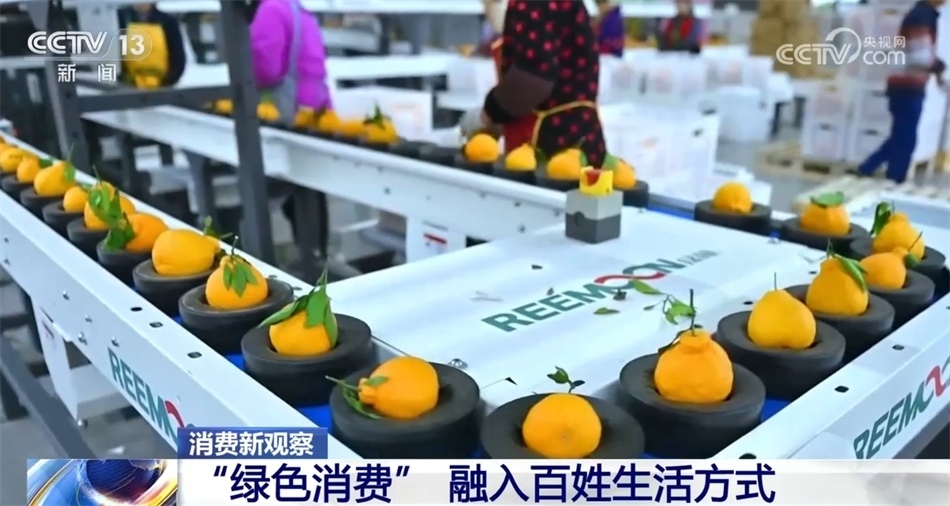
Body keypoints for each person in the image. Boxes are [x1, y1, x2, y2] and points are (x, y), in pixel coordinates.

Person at [461, 0, 608, 168]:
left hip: (552, 149)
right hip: (581, 141)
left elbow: (533, 78)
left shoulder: (533, 3)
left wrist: (488, 115)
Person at [250, 0, 333, 242]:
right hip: (314, 110)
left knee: (283, 189)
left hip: (287, 113)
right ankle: (317, 252)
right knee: (311, 193)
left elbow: (266, 70)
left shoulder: (270, 9)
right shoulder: (298, 8)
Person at [855, 0, 946, 183]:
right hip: (906, 85)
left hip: (906, 84)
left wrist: (938, 74)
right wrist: (939, 67)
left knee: (902, 135)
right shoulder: (921, 16)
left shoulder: (924, 15)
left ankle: (870, 169)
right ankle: (893, 179)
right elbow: (920, 56)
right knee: (905, 138)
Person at [118, 3, 186, 87]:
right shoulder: (120, 18)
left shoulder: (168, 21)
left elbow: (178, 57)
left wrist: (167, 82)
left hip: (161, 87)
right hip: (127, 87)